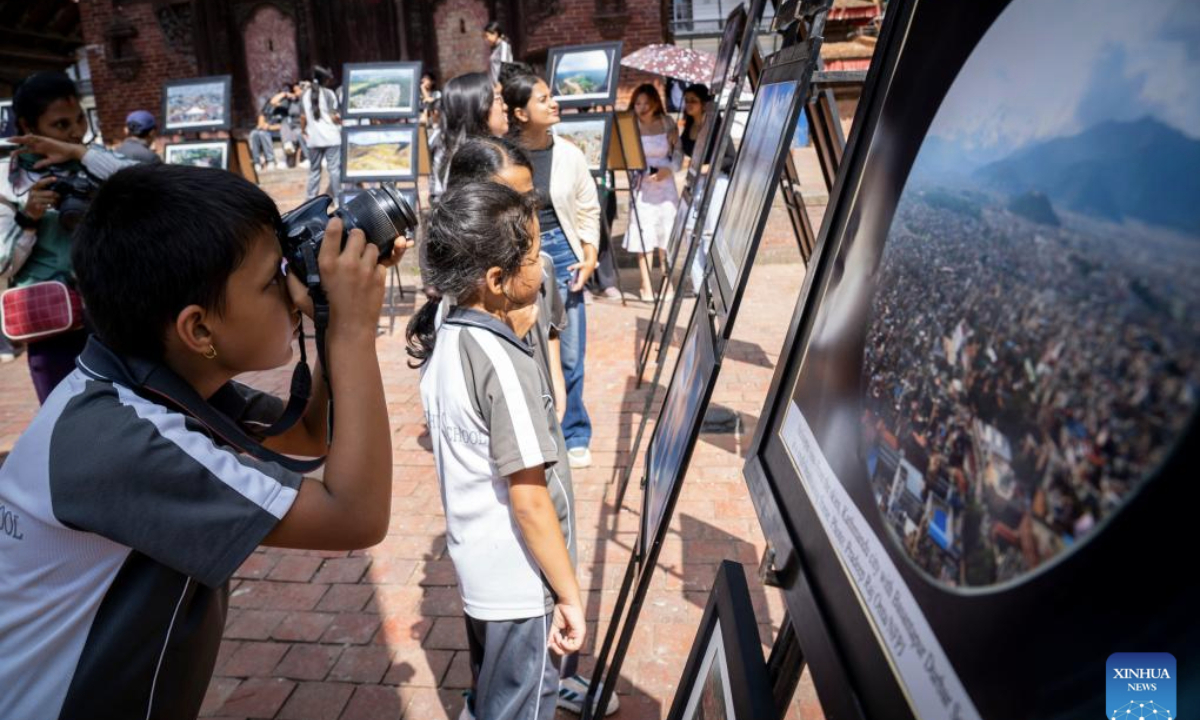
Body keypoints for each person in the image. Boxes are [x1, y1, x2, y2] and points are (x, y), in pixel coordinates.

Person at [0, 163, 407, 719]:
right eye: (273, 279)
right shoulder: (121, 441)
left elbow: (311, 434)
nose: (291, 290)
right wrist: (356, 332)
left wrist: (334, 315)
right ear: (198, 330)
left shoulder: (145, 381)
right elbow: (355, 517)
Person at [408, 181, 585, 720]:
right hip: (521, 585)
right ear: (496, 280)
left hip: (479, 573)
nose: (543, 264)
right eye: (532, 255)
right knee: (525, 705)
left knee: (494, 696)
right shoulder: (503, 364)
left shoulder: (447, 334)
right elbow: (529, 501)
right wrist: (569, 595)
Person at [0, 71, 140, 403]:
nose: (77, 132)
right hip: (54, 327)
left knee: (140, 412)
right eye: (61, 126)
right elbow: (3, 267)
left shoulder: (95, 163)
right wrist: (28, 218)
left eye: (79, 120)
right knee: (70, 417)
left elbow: (151, 180)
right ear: (26, 125)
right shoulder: (8, 184)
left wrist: (79, 154)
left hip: (117, 315)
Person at [505, 73, 600, 468]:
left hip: (564, 254)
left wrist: (590, 253)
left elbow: (587, 207)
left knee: (571, 352)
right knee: (524, 348)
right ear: (520, 113)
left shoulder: (569, 154)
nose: (554, 103)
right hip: (517, 255)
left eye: (551, 97)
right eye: (543, 99)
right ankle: (534, 430)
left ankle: (575, 430)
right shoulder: (504, 156)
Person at [446, 137, 567, 420]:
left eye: (529, 200)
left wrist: (556, 378)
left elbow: (552, 328)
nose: (524, 212)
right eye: (510, 202)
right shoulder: (457, 291)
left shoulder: (542, 268)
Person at [624, 84, 682, 302]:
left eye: (647, 102)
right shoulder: (630, 125)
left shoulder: (668, 123)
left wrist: (670, 169)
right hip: (642, 184)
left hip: (665, 184)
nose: (642, 107)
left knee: (667, 233)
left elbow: (678, 154)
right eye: (638, 103)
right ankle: (645, 285)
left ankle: (668, 282)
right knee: (644, 232)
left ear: (656, 102)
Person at [431, 71, 509, 199]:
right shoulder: (473, 165)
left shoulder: (498, 148)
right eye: (498, 99)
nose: (505, 107)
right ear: (479, 108)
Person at [300, 66, 342, 199]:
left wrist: (303, 130)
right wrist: (341, 120)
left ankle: (310, 200)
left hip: (313, 138)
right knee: (334, 170)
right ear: (325, 80)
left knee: (314, 171)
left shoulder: (304, 95)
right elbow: (333, 116)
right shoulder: (329, 93)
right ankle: (338, 200)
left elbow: (303, 117)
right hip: (331, 137)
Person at [249, 86, 293, 170]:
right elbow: (262, 116)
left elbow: (283, 126)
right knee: (254, 133)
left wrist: (269, 127)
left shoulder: (285, 108)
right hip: (266, 129)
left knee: (263, 134)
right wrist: (262, 124)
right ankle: (257, 162)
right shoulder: (270, 106)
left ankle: (270, 161)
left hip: (278, 132)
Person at [484, 21, 513, 86]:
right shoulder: (495, 48)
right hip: (495, 86)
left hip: (502, 87)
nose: (486, 39)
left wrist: (501, 84)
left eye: (487, 36)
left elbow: (506, 66)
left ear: (495, 34)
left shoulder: (504, 46)